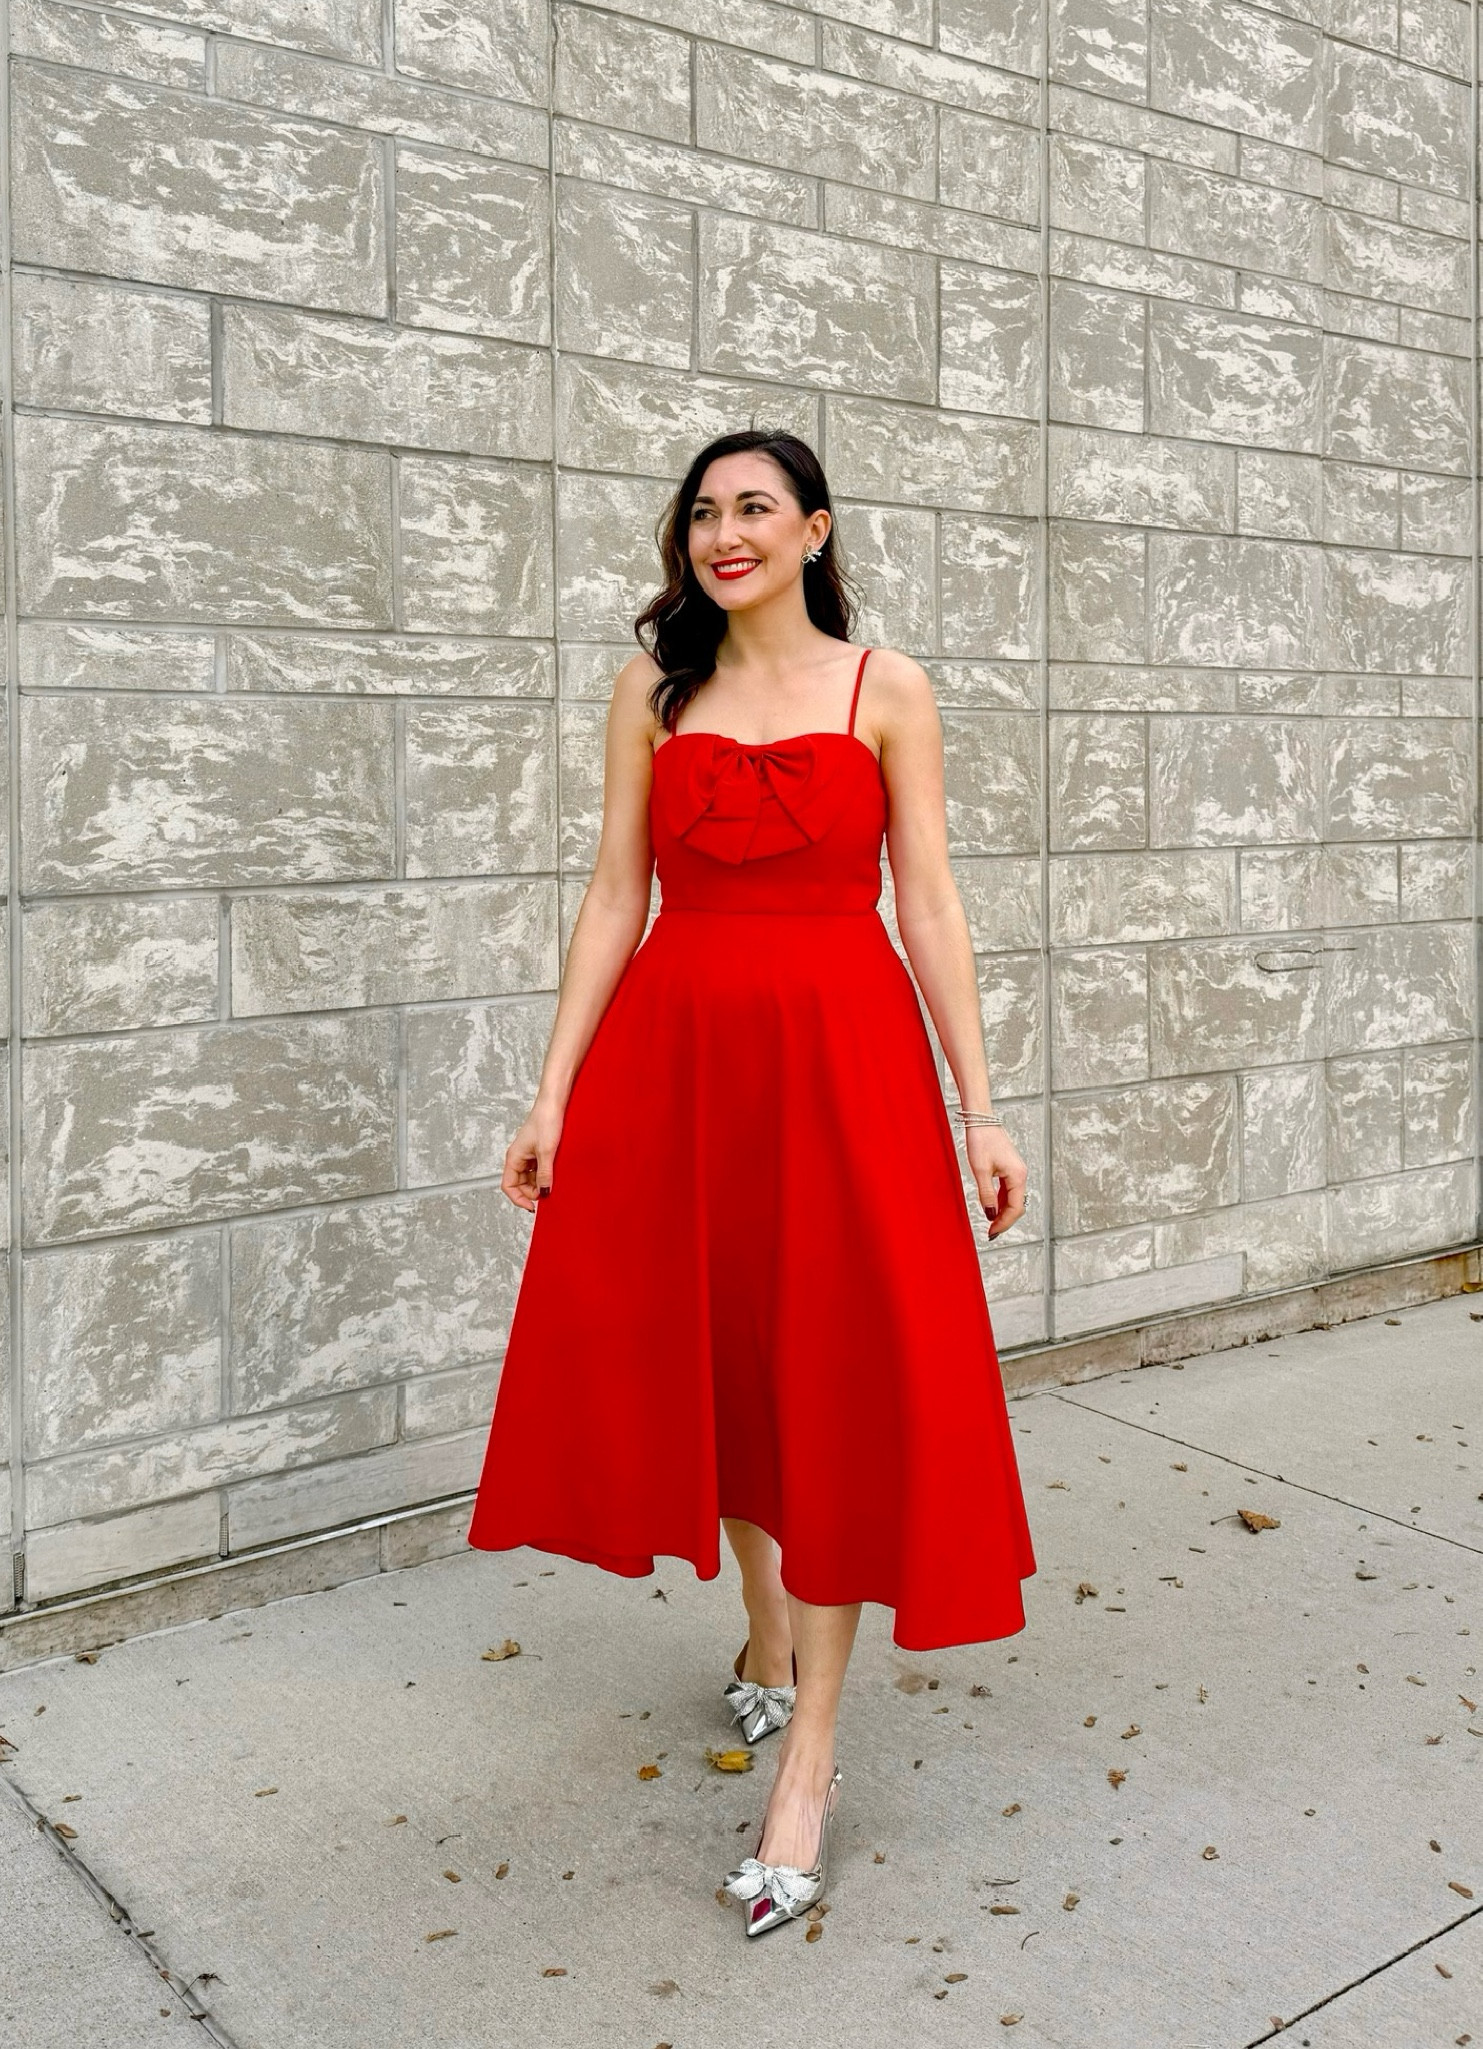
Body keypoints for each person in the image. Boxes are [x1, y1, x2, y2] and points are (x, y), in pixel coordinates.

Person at [466, 429, 1036, 1938]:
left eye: (755, 509)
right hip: (681, 1059)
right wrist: (553, 1089)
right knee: (725, 1352)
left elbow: (927, 895)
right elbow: (612, 893)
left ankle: (812, 1761)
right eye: (704, 512)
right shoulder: (656, 695)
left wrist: (980, 1106)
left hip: (845, 1065)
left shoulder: (884, 688)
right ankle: (766, 1631)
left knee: (835, 1372)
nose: (725, 533)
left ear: (814, 530)